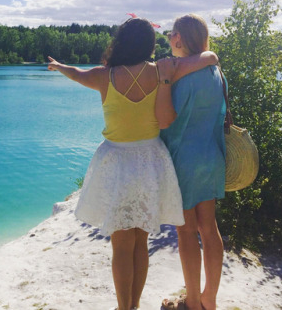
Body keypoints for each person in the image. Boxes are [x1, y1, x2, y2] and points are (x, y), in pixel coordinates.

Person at [47, 17, 217, 310]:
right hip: (151, 162)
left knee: (121, 245)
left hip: (117, 163)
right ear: (149, 45)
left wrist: (60, 67)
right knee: (141, 241)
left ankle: (124, 308)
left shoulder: (104, 76)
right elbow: (201, 60)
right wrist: (212, 55)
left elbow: (76, 73)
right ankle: (135, 305)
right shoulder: (162, 71)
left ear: (121, 42)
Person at [156, 14, 226, 310]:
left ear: (180, 38)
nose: (169, 37)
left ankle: (194, 302)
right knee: (209, 228)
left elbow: (164, 120)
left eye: (172, 33)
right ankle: (210, 298)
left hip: (183, 160)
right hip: (211, 157)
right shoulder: (215, 71)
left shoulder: (176, 72)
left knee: (185, 230)